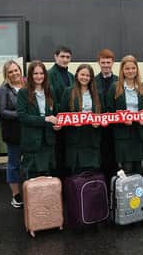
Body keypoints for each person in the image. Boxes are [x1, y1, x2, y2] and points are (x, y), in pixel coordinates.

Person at [17, 60, 60, 179]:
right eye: (35, 74)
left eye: (41, 73)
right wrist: (45, 119)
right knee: (33, 179)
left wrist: (58, 124)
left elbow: (56, 112)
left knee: (48, 178)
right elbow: (22, 116)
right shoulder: (23, 92)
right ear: (30, 75)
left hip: (48, 142)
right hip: (32, 142)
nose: (39, 76)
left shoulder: (50, 90)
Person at [107, 55, 143, 174]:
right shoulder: (115, 87)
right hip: (123, 134)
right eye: (127, 69)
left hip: (139, 133)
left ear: (137, 69)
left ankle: (138, 193)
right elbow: (109, 111)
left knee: (138, 169)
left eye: (133, 68)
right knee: (127, 168)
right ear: (122, 71)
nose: (130, 71)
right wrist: (121, 119)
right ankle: (125, 193)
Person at [60, 64, 103, 173]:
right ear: (77, 75)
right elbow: (61, 114)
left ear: (91, 78)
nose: (85, 77)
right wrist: (71, 122)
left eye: (88, 75)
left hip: (92, 137)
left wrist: (99, 123)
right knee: (76, 172)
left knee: (92, 171)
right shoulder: (68, 92)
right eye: (82, 74)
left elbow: (104, 114)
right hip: (75, 137)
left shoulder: (97, 93)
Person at [0, 60, 24, 208]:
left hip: (28, 132)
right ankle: (16, 195)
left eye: (16, 70)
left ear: (20, 70)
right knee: (14, 164)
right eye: (11, 72)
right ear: (6, 74)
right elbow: (2, 112)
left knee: (28, 164)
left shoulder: (27, 85)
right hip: (13, 133)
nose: (14, 73)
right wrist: (21, 114)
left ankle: (29, 191)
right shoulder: (4, 89)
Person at [48, 46, 74, 176]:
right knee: (57, 156)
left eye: (67, 57)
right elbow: (51, 99)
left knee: (67, 156)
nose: (65, 59)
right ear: (55, 57)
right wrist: (59, 117)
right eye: (62, 56)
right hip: (57, 122)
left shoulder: (71, 76)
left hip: (69, 122)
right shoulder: (49, 74)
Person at [95, 49, 119, 180]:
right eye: (103, 62)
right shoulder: (93, 81)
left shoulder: (119, 81)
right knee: (100, 159)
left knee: (114, 160)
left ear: (113, 63)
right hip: (98, 128)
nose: (106, 65)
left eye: (108, 62)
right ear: (98, 63)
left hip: (115, 128)